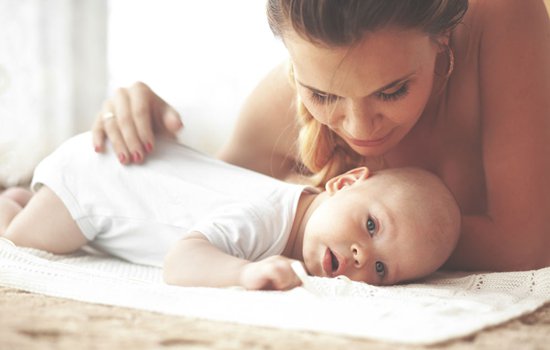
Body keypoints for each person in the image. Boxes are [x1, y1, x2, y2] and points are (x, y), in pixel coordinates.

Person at [91, 1, 549, 271]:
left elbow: (527, 245)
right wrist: (142, 132)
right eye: (322, 94)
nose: (359, 128)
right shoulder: (279, 101)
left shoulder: (504, 18)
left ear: (444, 39)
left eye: (392, 91)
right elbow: (203, 201)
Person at [0, 132, 460, 290]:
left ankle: (20, 195)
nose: (362, 256)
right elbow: (181, 262)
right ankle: (11, 202)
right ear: (342, 184)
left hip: (113, 165)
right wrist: (242, 274)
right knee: (17, 241)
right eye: (372, 225)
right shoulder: (264, 217)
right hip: (91, 184)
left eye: (382, 269)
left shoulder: (287, 215)